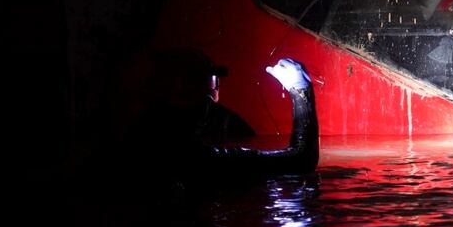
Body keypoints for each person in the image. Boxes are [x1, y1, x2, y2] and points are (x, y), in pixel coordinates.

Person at [130, 49, 318, 178]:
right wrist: (301, 92)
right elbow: (300, 161)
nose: (213, 98)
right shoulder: (203, 162)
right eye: (207, 91)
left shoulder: (132, 150)